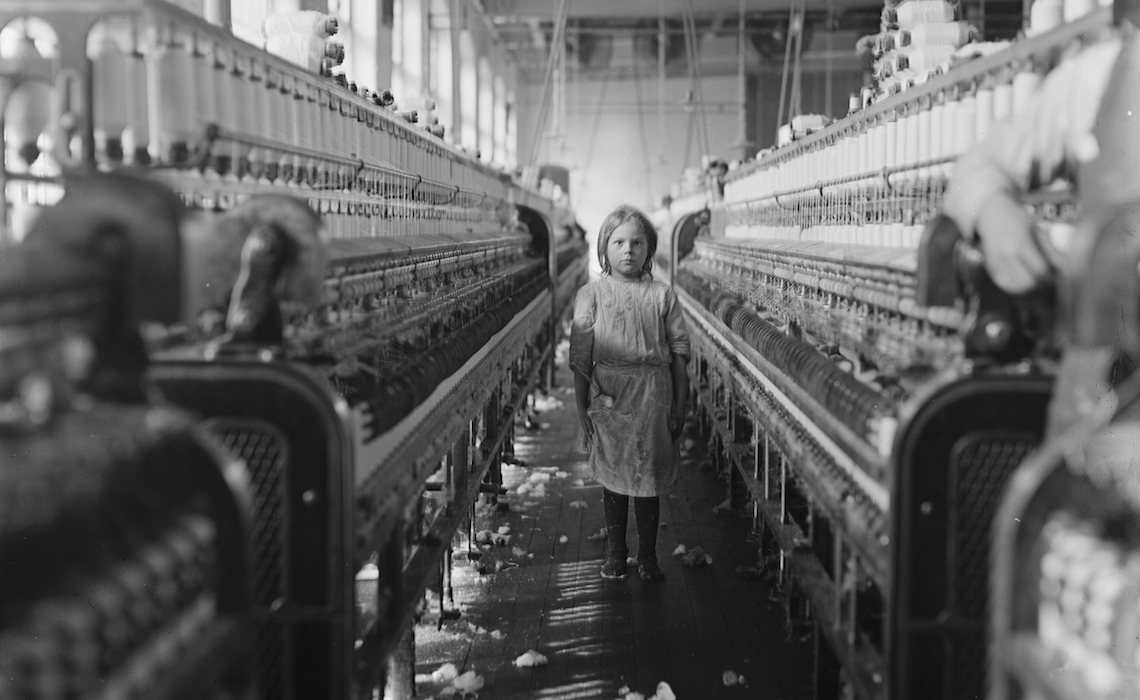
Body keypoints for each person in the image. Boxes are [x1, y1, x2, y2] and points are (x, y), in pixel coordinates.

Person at [569, 205, 691, 582]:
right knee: (615, 476)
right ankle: (616, 553)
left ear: (649, 250)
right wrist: (581, 413)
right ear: (604, 248)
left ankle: (648, 557)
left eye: (637, 243)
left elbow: (680, 354)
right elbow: (580, 360)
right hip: (609, 395)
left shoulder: (662, 295)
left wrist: (681, 405)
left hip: (653, 396)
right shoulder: (590, 296)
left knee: (648, 477)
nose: (628, 250)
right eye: (619, 242)